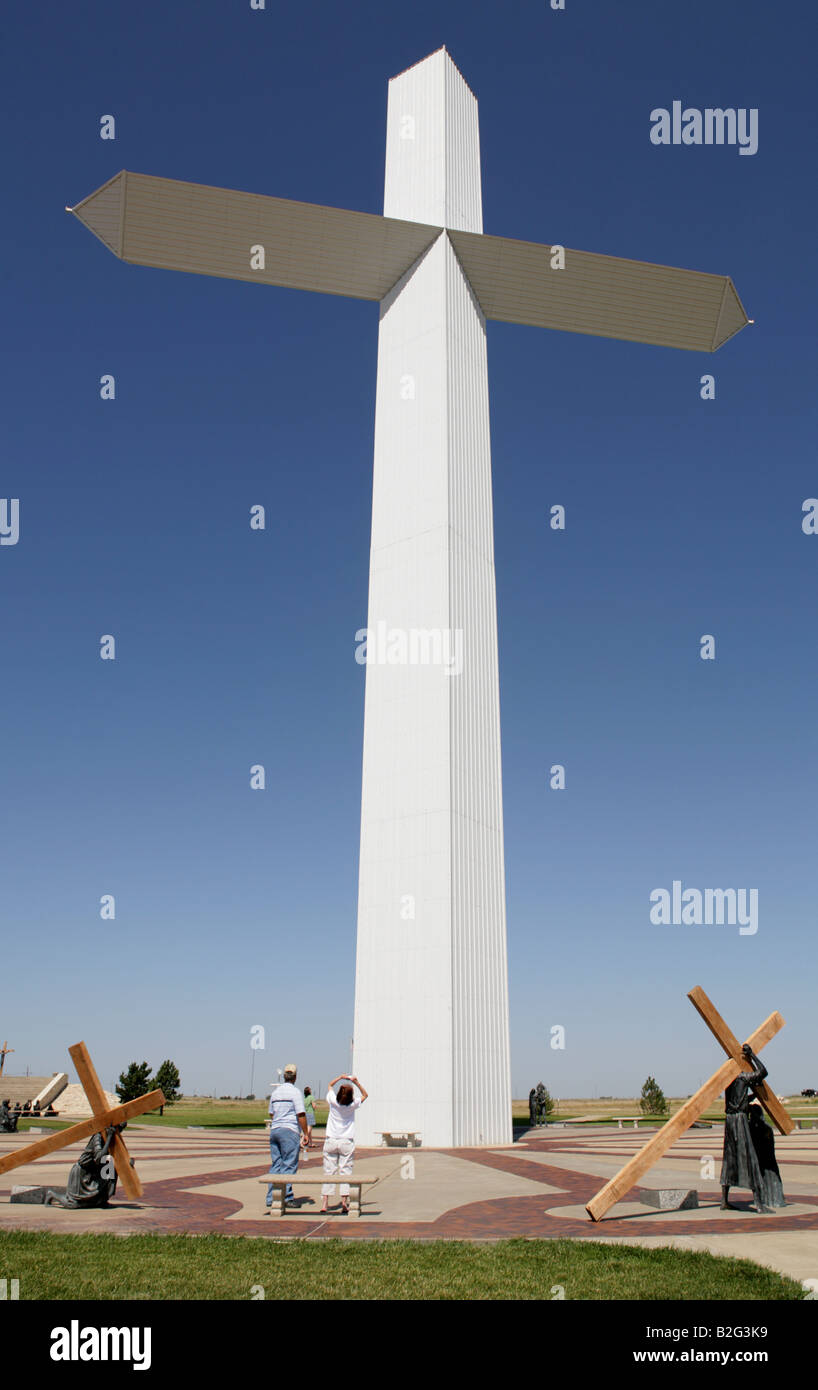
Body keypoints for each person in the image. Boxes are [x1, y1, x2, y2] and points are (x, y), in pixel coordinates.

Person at [11, 1125, 123, 1207]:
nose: (119, 1132)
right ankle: (52, 1195)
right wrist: (108, 1138)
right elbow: (99, 1158)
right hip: (83, 1172)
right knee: (73, 1204)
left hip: (95, 1171)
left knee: (112, 1168)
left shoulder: (112, 1139)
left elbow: (112, 1157)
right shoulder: (98, 1137)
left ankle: (102, 1199)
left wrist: (126, 1164)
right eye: (118, 1129)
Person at [720, 1043, 771, 1213]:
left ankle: (724, 1200)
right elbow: (763, 1072)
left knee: (729, 1159)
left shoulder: (728, 1082)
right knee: (750, 1158)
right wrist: (752, 1055)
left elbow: (736, 1101)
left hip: (730, 1120)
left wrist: (751, 1097)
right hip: (740, 1120)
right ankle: (758, 1203)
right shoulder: (742, 1078)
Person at [321, 1074, 368, 1215]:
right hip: (346, 1141)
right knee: (345, 1172)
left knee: (328, 1172)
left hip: (331, 1140)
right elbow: (365, 1095)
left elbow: (329, 1085)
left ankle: (325, 1203)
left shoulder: (332, 1101)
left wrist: (340, 1078)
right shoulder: (352, 1104)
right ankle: (343, 1203)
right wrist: (356, 1082)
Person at [265, 1064, 310, 1211]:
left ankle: (272, 1198)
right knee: (289, 1164)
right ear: (295, 1077)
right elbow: (301, 1114)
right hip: (289, 1130)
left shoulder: (276, 1092)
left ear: (284, 1076)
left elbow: (271, 1113)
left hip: (275, 1130)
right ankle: (287, 1197)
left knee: (276, 1164)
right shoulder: (295, 1093)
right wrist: (306, 1133)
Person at [748, 1102, 786, 1209]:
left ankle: (775, 1200)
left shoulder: (762, 1128)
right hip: (762, 1160)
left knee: (772, 1179)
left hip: (767, 1160)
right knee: (765, 1180)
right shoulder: (755, 1128)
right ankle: (768, 1199)